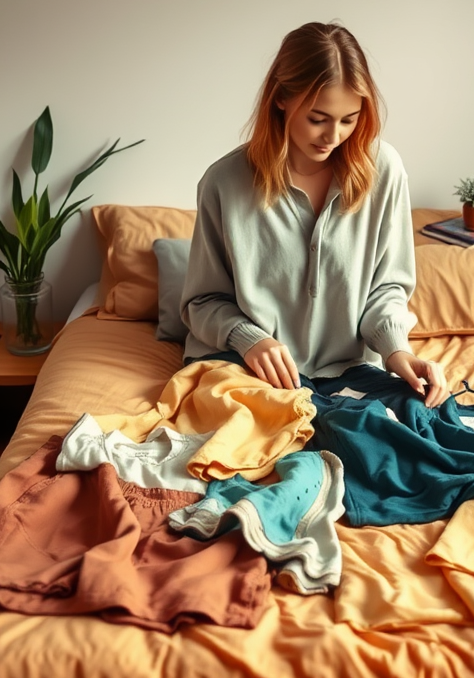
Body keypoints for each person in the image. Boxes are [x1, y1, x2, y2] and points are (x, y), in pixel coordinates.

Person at [180, 21, 449, 408]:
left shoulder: (384, 170)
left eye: (349, 119)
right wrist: (249, 339)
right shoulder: (224, 182)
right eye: (318, 118)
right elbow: (202, 301)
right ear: (281, 98)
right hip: (245, 370)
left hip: (351, 372)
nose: (333, 136)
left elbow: (387, 288)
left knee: (413, 430)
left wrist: (397, 351)